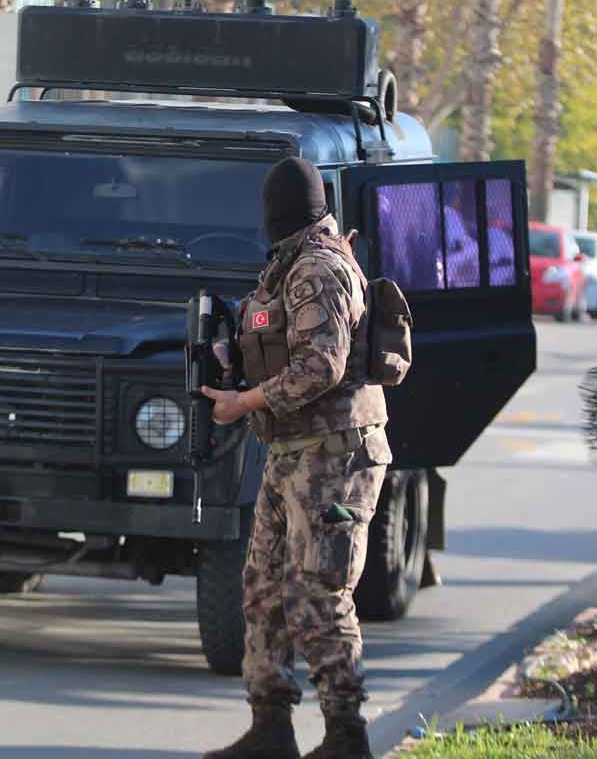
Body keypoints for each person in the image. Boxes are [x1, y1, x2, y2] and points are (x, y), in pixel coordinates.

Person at [200, 157, 391, 759]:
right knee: (263, 591)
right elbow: (285, 348)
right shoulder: (286, 266)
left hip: (335, 459)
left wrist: (244, 400)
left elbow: (321, 366)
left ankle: (345, 735)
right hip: (292, 453)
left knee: (319, 593)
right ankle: (270, 728)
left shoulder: (317, 268)